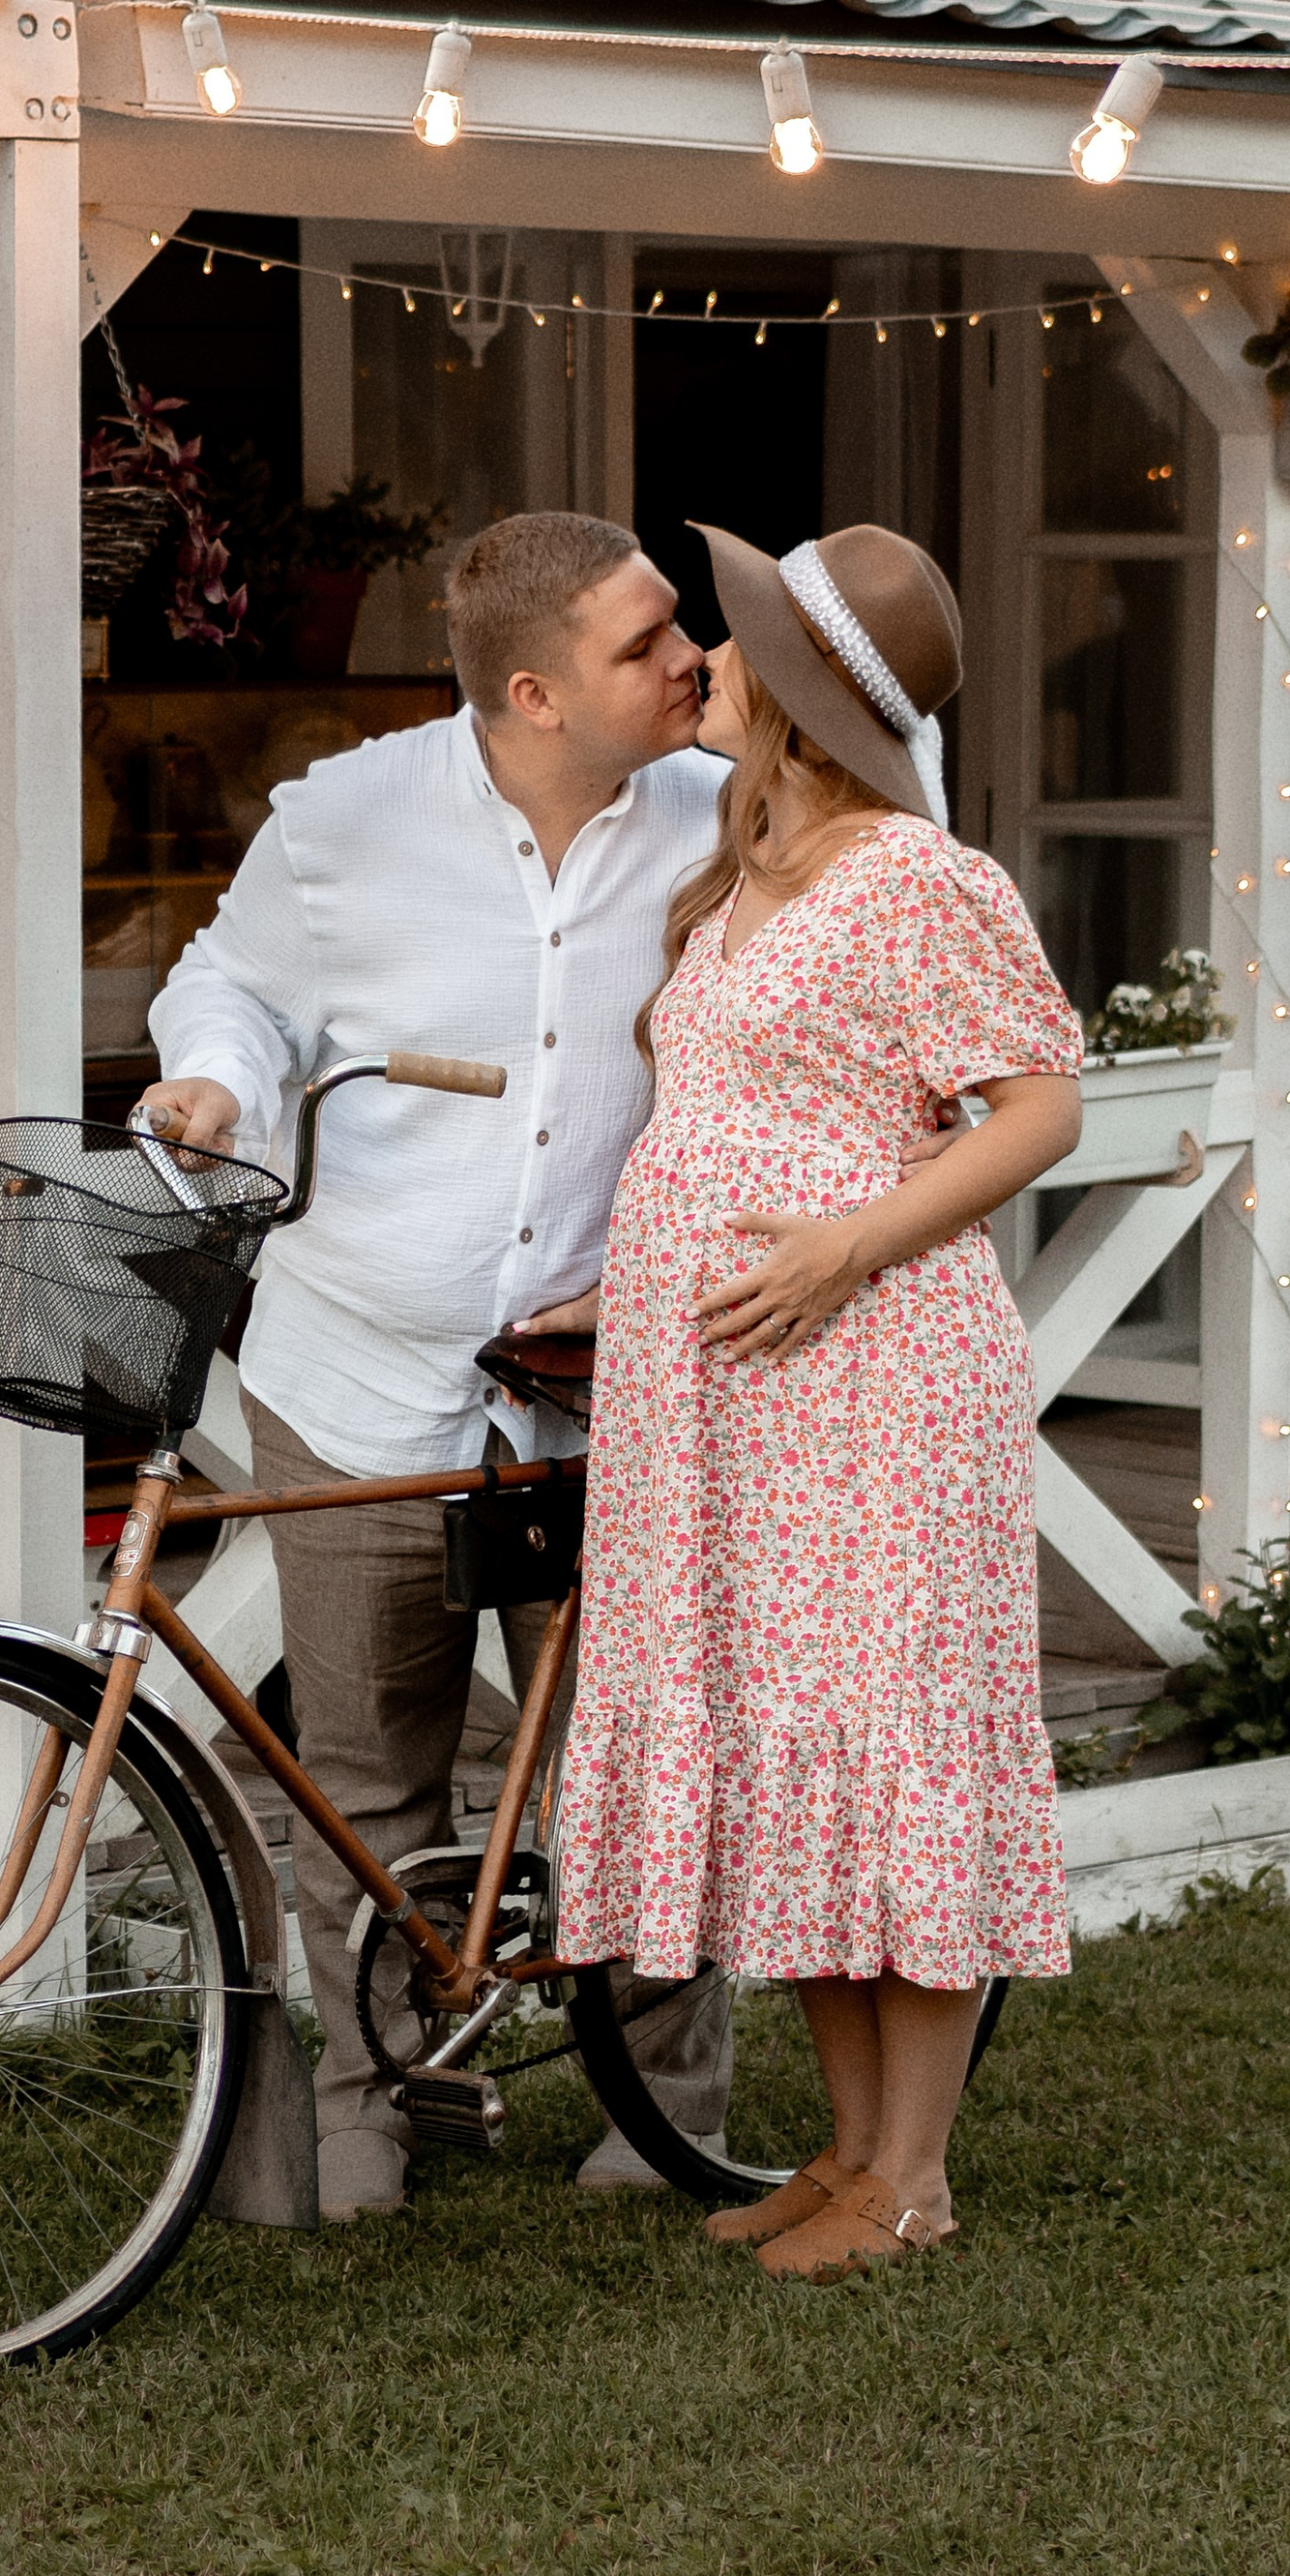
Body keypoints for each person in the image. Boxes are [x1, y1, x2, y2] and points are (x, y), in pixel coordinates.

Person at [144, 512, 734, 2220]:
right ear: (535, 694)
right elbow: (233, 986)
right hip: (354, 1379)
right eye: (647, 642)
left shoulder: (725, 812)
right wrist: (215, 1086)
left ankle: (660, 2113)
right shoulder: (342, 820)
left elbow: (894, 779)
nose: (688, 654)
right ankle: (369, 2116)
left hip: (604, 1390)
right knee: (368, 1778)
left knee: (631, 1757)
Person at [532, 521, 1084, 2280]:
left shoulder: (917, 877)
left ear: (808, 691)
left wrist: (850, 1240)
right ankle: (848, 2158)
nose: (707, 659)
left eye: (741, 640)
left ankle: (913, 2177)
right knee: (801, 1762)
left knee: (886, 1741)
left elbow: (1040, 1109)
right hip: (728, 1407)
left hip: (871, 1384)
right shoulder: (748, 863)